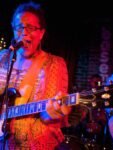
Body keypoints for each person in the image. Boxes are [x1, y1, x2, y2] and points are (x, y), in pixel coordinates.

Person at [0, 2, 72, 150]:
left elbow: (49, 116)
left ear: (41, 33)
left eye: (31, 28)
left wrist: (53, 113)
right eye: (19, 27)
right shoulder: (2, 58)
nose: (24, 33)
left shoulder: (55, 64)